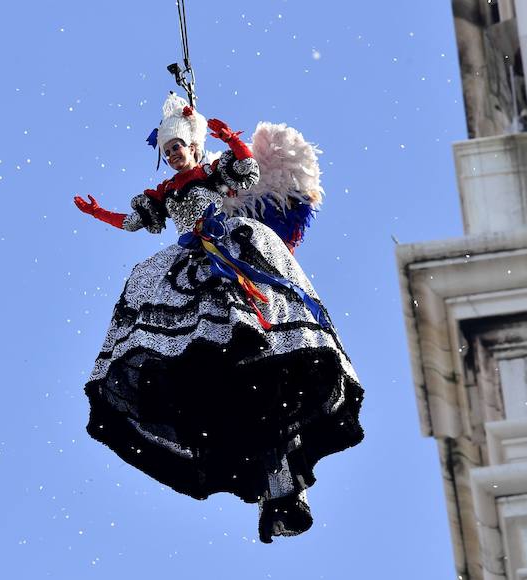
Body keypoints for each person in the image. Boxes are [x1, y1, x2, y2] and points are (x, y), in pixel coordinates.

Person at [74, 93, 363, 543]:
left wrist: (230, 138)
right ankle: (223, 363)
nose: (172, 156)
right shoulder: (164, 193)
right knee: (174, 302)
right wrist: (98, 213)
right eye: (166, 152)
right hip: (191, 257)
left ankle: (249, 336)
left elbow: (247, 170)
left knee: (238, 297)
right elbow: (133, 223)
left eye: (177, 148)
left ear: (192, 145)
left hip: (226, 244)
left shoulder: (213, 172)